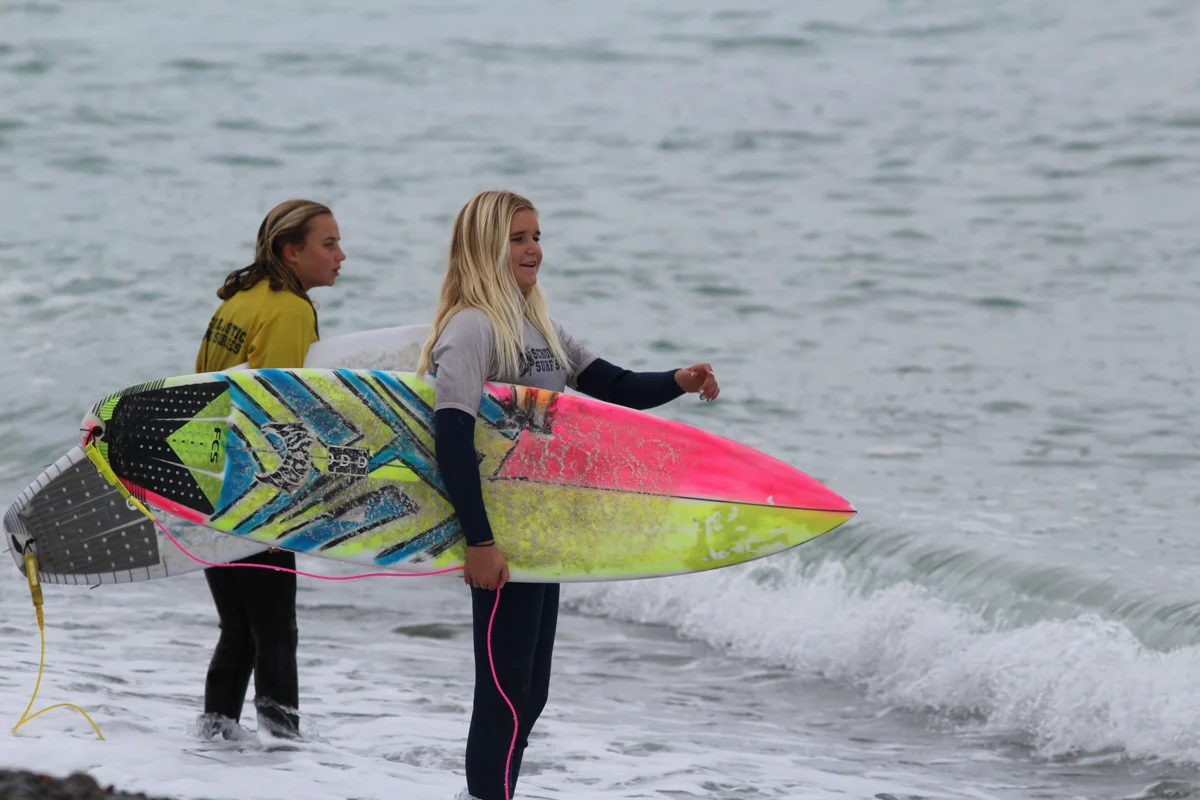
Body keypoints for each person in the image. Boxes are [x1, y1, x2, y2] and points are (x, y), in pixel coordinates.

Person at [416, 190, 719, 800]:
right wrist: (479, 541)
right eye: (518, 238)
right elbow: (451, 437)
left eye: (536, 236)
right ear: (485, 247)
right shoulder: (472, 327)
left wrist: (678, 381)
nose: (534, 249)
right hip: (498, 534)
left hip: (541, 532)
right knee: (503, 693)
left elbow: (616, 385)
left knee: (530, 692)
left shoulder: (540, 327)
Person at [194, 199, 345, 740]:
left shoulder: (240, 299)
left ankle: (215, 739)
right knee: (276, 631)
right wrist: (285, 507)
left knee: (239, 628)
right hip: (255, 489)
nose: (341, 255)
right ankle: (283, 752)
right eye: (328, 244)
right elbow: (277, 415)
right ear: (291, 251)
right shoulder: (289, 310)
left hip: (211, 479)